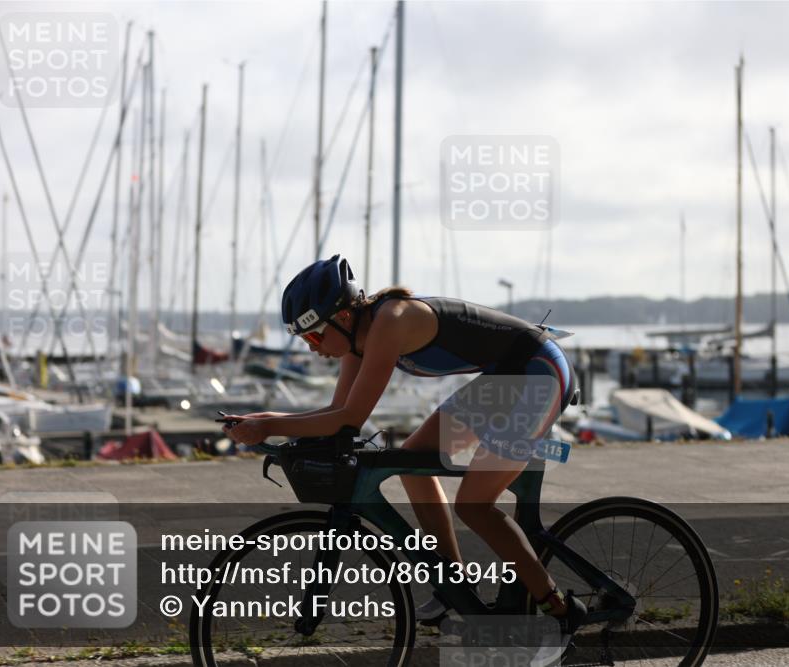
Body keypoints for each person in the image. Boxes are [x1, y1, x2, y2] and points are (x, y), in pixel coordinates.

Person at [224, 254, 585, 663]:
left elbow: (350, 418)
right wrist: (264, 421)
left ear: (342, 316)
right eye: (306, 341)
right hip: (506, 379)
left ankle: (562, 611)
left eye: (315, 337)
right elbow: (337, 417)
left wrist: (270, 424)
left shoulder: (390, 321)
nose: (314, 349)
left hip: (540, 374)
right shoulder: (355, 342)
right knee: (412, 460)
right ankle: (454, 585)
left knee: (474, 504)